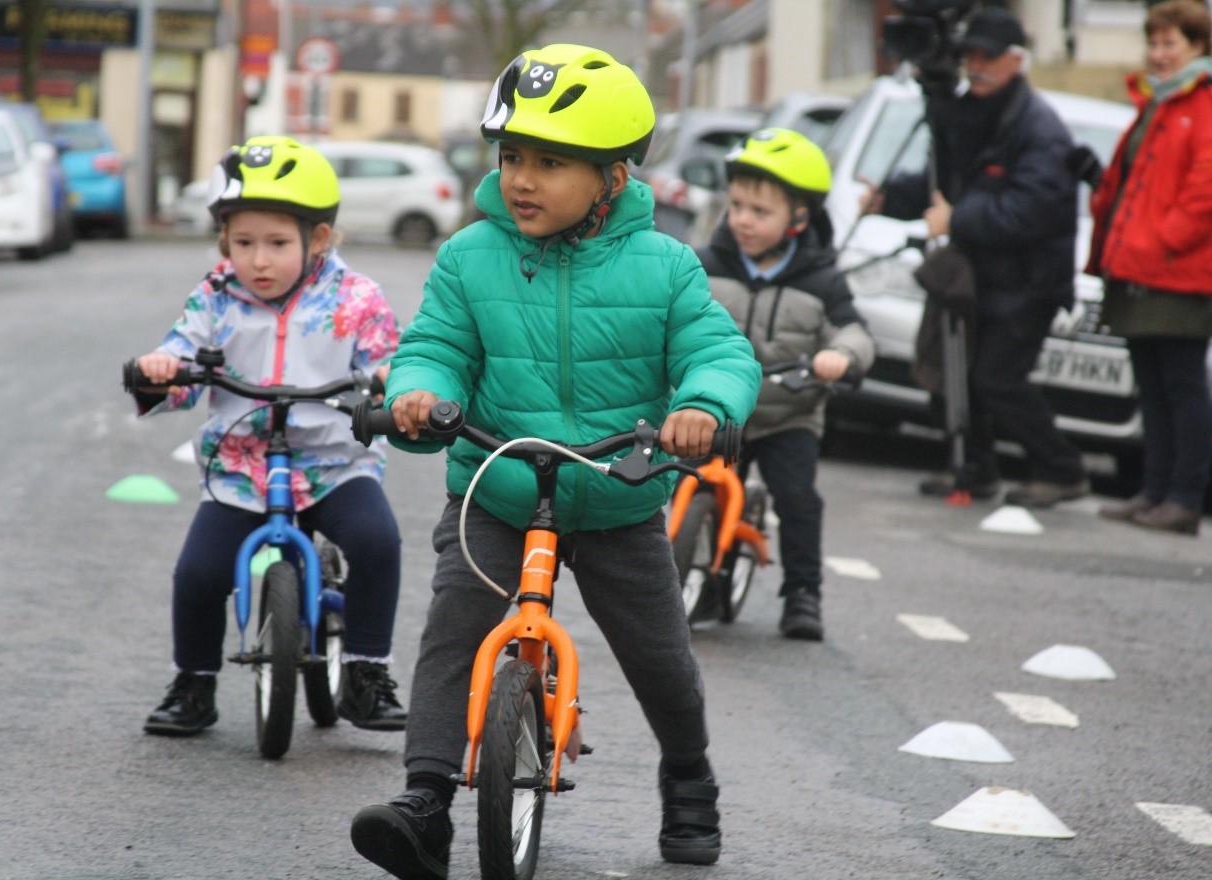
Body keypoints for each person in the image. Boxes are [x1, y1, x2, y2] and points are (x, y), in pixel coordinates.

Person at [349, 44, 761, 879]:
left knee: (661, 660)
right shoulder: (470, 255)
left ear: (611, 179)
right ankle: (426, 801)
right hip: (499, 487)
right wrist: (419, 395)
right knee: (454, 635)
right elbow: (434, 346)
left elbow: (719, 351)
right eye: (510, 157)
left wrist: (700, 409)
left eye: (550, 162)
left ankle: (688, 773)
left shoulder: (669, 265)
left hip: (618, 495)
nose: (522, 179)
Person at [131, 136, 408, 736]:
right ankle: (194, 683)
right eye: (243, 242)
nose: (258, 260)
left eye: (277, 244)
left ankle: (365, 673)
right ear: (224, 240)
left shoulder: (356, 299)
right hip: (241, 464)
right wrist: (161, 371)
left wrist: (392, 378)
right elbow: (180, 358)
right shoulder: (216, 296)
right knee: (199, 574)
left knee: (377, 540)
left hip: (334, 461)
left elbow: (390, 356)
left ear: (320, 239)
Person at [861, 6, 1090, 508]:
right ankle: (975, 468)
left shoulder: (1038, 127)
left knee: (995, 379)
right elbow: (944, 178)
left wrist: (957, 221)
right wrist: (889, 199)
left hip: (1029, 282)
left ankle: (1062, 468)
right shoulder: (973, 109)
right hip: (981, 276)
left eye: (988, 57)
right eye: (970, 56)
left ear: (1017, 60)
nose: (976, 66)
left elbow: (1030, 210)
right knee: (955, 370)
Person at [696, 128, 875, 642]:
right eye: (736, 206)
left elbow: (854, 332)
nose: (743, 220)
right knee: (683, 482)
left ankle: (803, 592)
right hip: (717, 409)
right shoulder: (707, 266)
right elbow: (665, 311)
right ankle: (696, 569)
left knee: (797, 498)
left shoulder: (822, 280)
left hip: (786, 413)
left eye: (760, 211)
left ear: (798, 218)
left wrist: (840, 355)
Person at [1088, 0, 1212, 536]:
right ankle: (1154, 489)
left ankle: (1185, 497)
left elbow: (1203, 194)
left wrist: (1162, 242)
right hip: (1140, 266)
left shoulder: (1201, 104)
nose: (1158, 54)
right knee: (1151, 384)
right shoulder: (1158, 103)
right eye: (1154, 43)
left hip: (1180, 271)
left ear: (1199, 48)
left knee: (1183, 384)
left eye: (1170, 45)